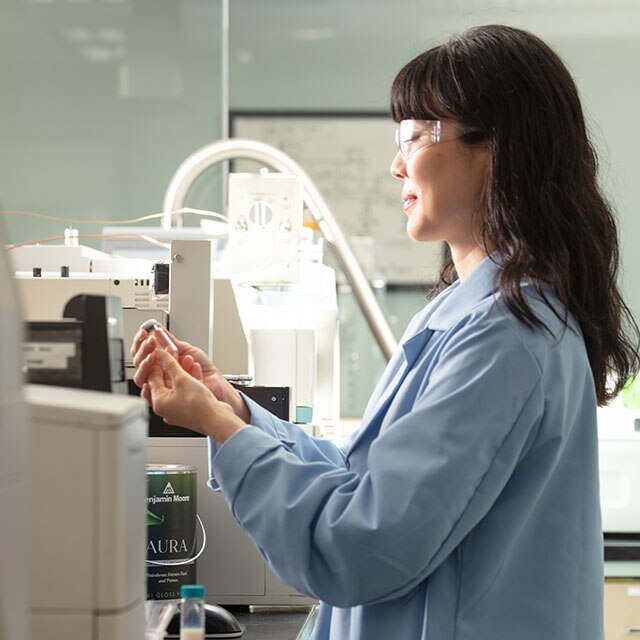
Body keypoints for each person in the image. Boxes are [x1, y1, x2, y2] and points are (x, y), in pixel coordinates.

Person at [132, 24, 640, 640]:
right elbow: (362, 478)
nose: (396, 163)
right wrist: (234, 408)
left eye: (416, 135)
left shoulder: (507, 336)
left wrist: (220, 431)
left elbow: (361, 545)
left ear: (499, 149)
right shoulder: (465, 311)